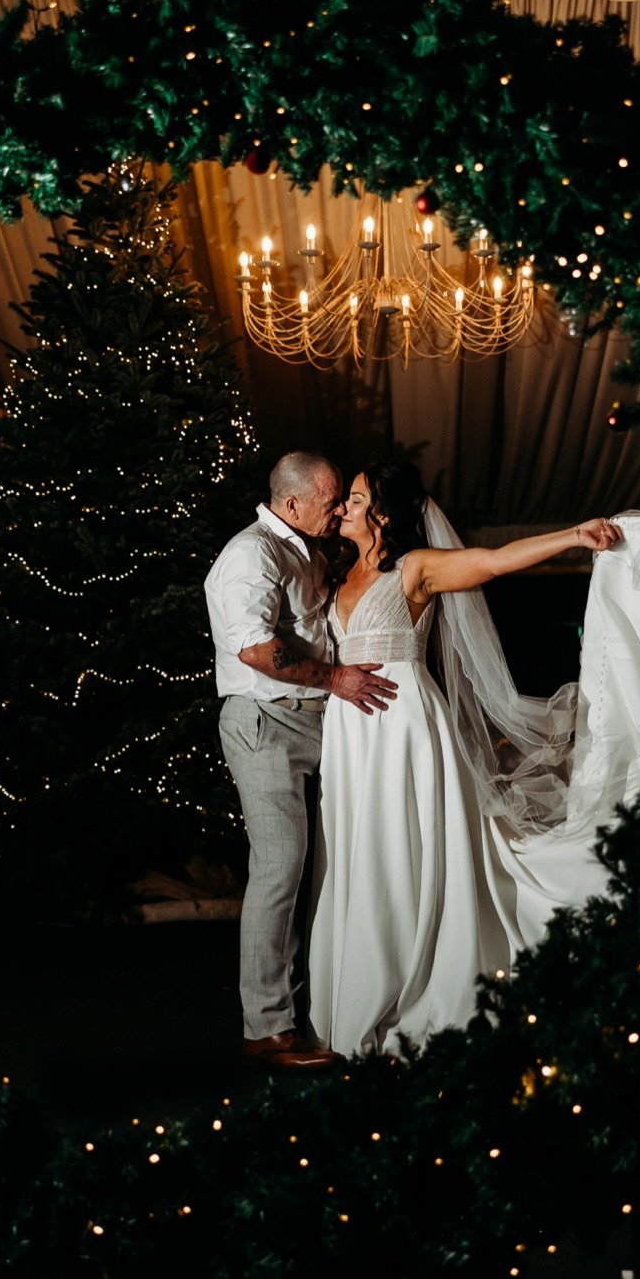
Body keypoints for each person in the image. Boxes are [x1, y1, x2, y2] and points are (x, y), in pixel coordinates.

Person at [307, 460, 640, 1057]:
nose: (343, 510)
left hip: (402, 727)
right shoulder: (335, 577)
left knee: (403, 846)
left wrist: (572, 535)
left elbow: (492, 560)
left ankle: (403, 977)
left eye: (355, 500)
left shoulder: (416, 568)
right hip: (349, 735)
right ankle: (358, 987)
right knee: (356, 849)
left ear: (383, 513)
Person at [204, 451, 398, 1070]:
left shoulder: (304, 548)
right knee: (280, 866)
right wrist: (337, 678)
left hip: (318, 720)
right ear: (291, 503)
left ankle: (335, 1005)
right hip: (267, 723)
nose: (339, 510)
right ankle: (266, 1030)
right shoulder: (250, 554)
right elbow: (258, 651)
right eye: (330, 500)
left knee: (335, 863)